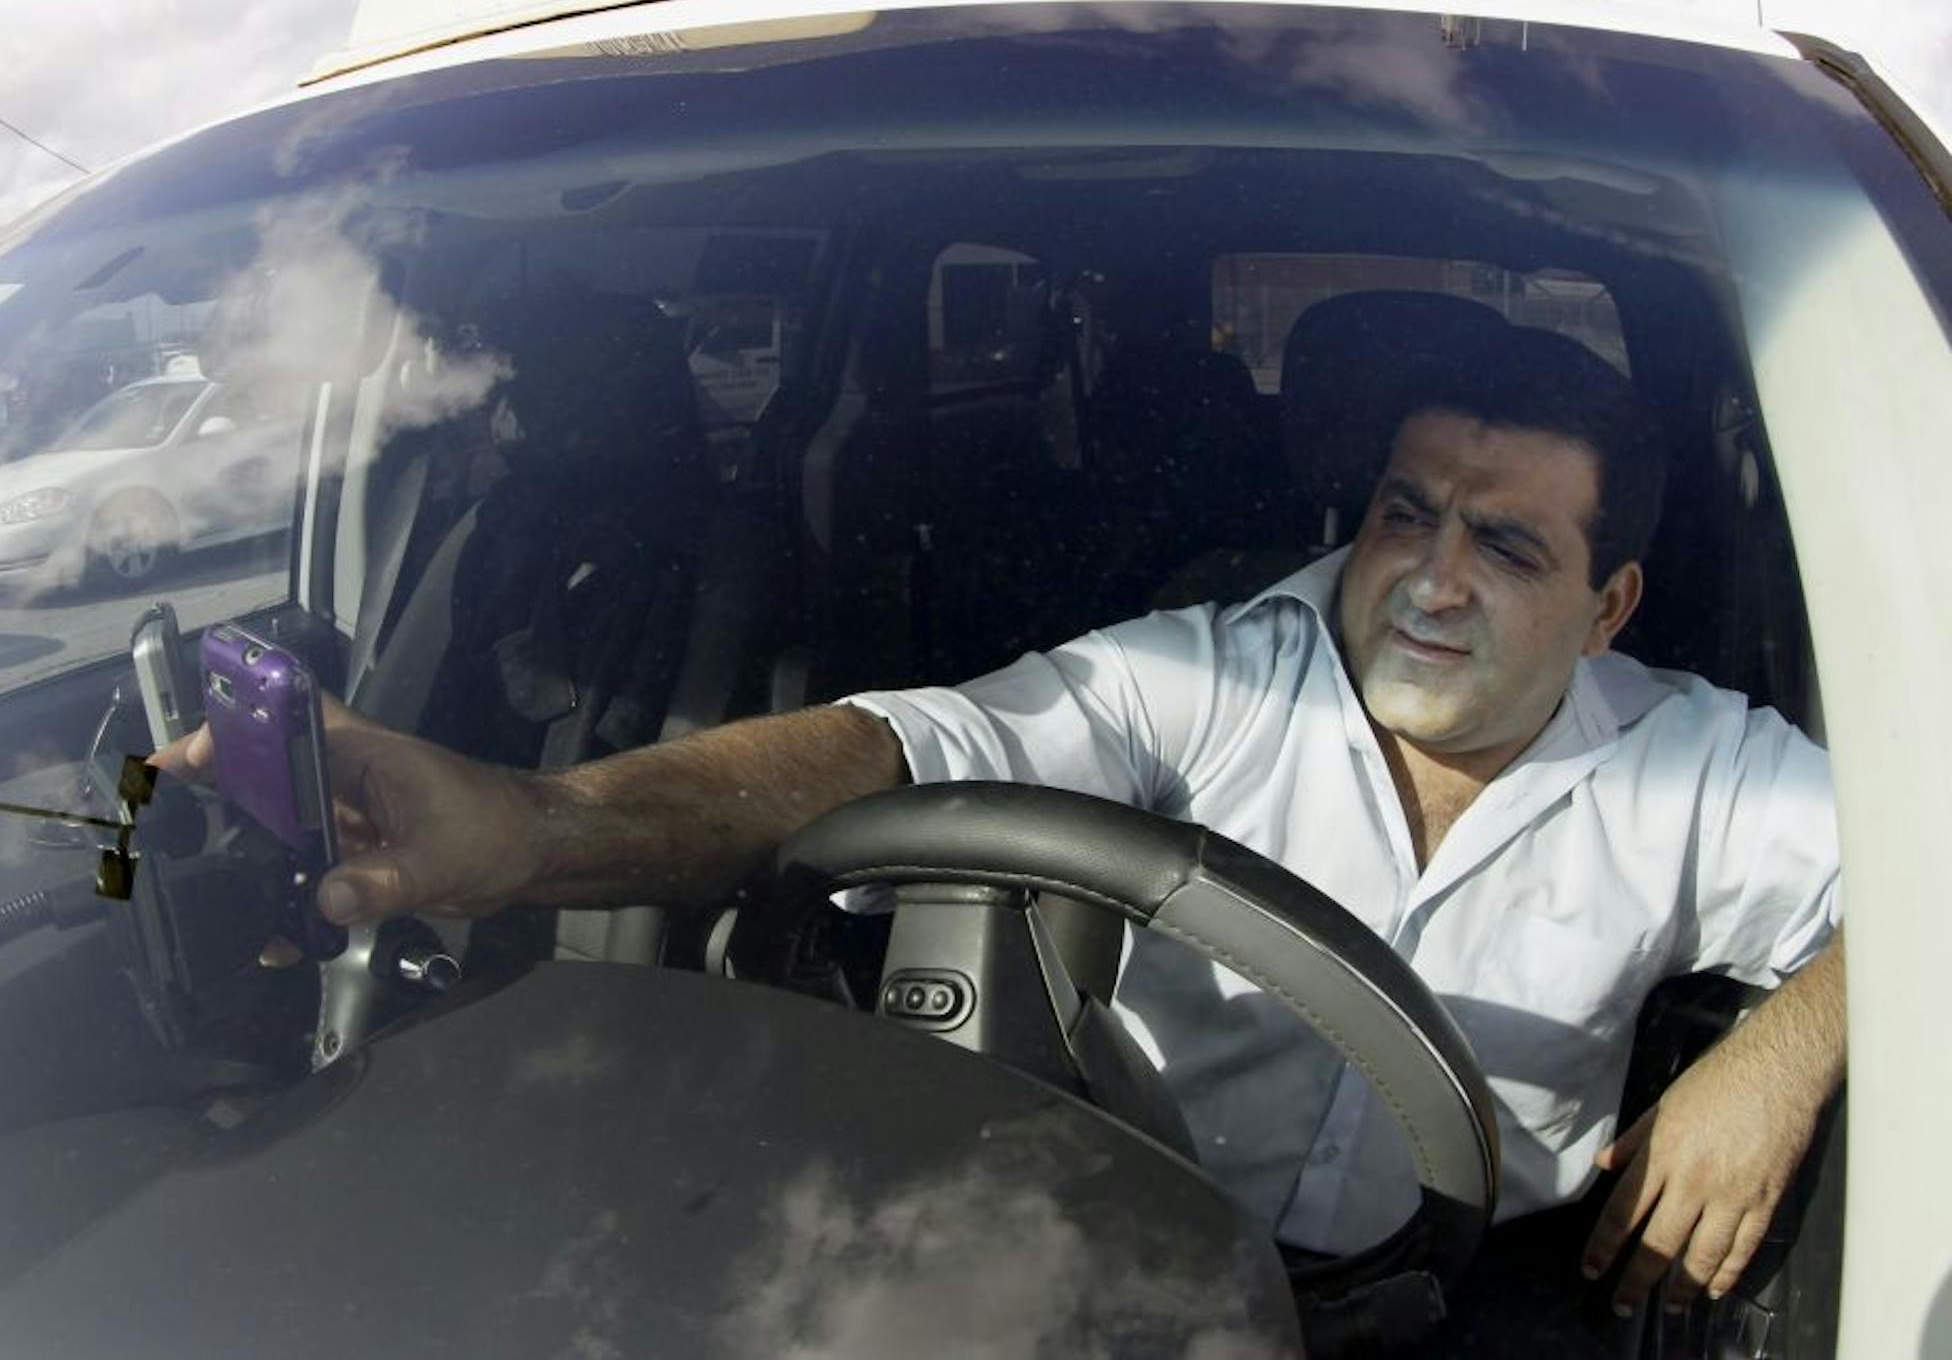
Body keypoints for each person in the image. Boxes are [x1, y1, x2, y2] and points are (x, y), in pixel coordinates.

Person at [153, 323, 1843, 1344]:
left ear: (1612, 603)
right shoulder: (1216, 676)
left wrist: (1781, 1054)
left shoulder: (1704, 770)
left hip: (1500, 1309)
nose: (1430, 579)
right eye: (1406, 514)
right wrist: (535, 825)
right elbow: (915, 744)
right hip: (1129, 1272)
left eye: (1509, 547)